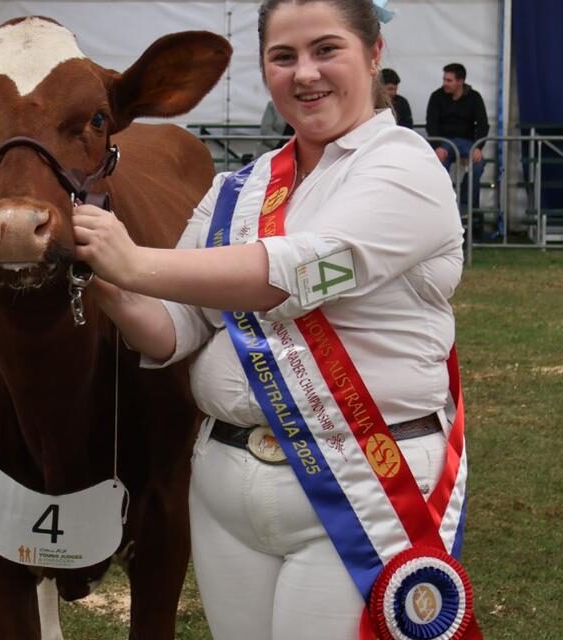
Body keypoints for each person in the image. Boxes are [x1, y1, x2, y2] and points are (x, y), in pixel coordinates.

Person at [72, 1, 479, 639]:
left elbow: (291, 273)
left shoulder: (406, 167)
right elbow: (176, 327)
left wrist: (133, 263)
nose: (304, 73)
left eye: (326, 50)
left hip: (362, 480)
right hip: (225, 485)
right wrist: (105, 282)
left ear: (374, 54)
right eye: (282, 57)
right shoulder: (240, 187)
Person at [426, 62, 490, 210]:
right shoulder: (436, 97)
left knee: (479, 165)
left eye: (449, 80)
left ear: (460, 81)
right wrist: (437, 146)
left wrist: (478, 147)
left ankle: (465, 206)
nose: (445, 83)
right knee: (438, 167)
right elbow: (431, 123)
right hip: (444, 143)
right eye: (444, 79)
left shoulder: (474, 97)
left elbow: (483, 124)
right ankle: (442, 206)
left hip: (467, 143)